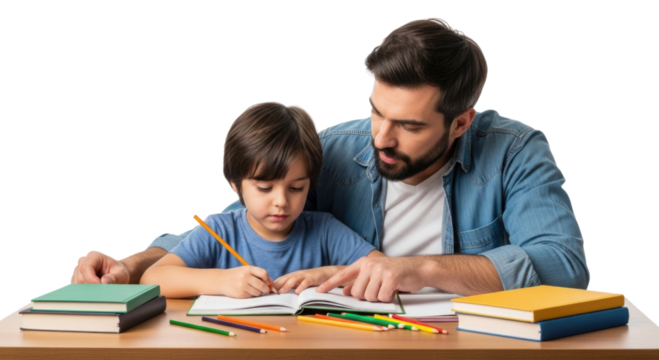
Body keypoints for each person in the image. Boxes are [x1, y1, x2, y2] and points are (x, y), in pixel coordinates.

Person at [69, 17, 590, 301]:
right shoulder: (338, 146)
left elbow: (566, 268)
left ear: (461, 122)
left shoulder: (516, 151)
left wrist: (422, 269)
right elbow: (231, 224)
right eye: (375, 111)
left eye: (408, 126)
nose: (380, 137)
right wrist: (129, 264)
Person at [138, 101, 383, 298]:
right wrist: (222, 281)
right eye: (265, 188)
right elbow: (153, 278)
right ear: (235, 184)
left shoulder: (326, 230)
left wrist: (329, 274)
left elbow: (385, 270)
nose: (281, 201)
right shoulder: (219, 230)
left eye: (296, 188)